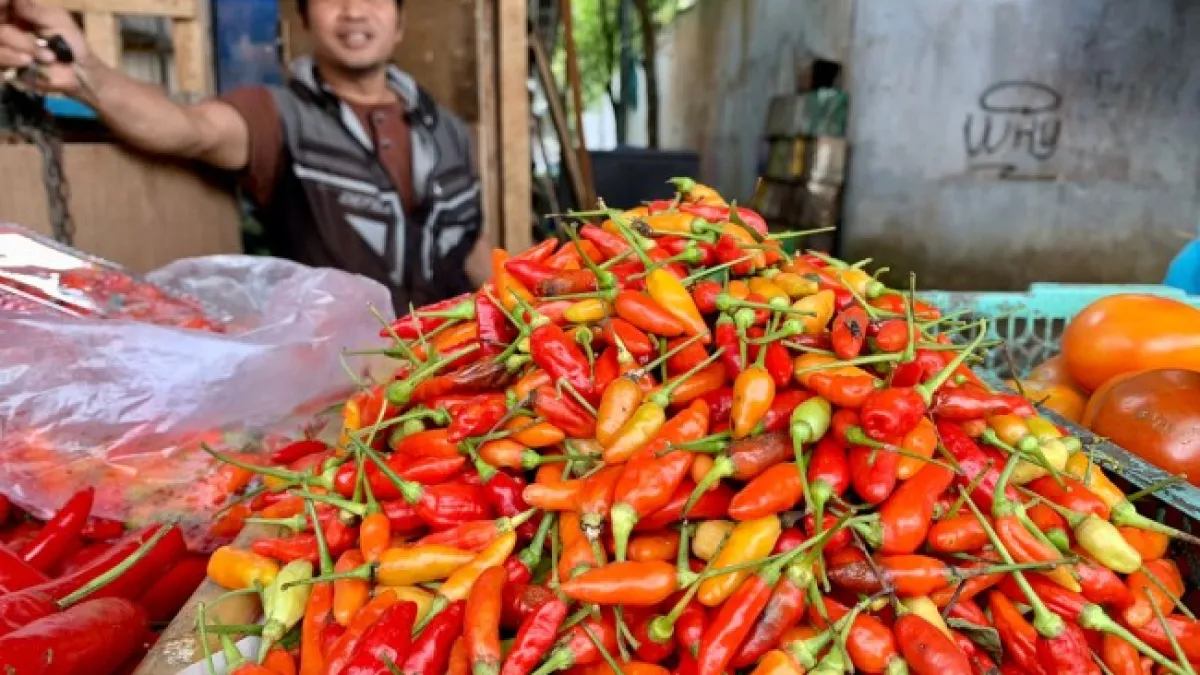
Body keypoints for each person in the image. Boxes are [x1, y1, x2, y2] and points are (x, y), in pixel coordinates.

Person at [0, 0, 490, 313]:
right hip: (340, 375)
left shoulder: (444, 128)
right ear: (303, 19)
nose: (354, 11)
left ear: (399, 22)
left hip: (453, 367)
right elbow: (185, 129)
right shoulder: (277, 116)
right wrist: (86, 72)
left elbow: (469, 243)